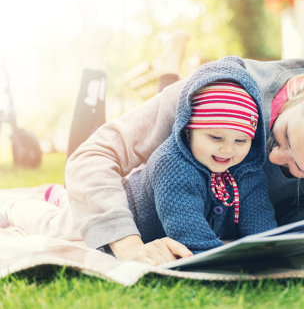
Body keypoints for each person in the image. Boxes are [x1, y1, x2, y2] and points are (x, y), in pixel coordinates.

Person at [65, 53, 304, 265]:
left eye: (297, 169)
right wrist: (127, 244)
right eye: (285, 136)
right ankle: (168, 62)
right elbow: (91, 156)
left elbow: (283, 210)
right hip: (142, 190)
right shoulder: (221, 90)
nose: (274, 155)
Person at [0, 60, 277, 259]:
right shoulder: (173, 166)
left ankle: (59, 195)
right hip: (118, 211)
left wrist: (270, 246)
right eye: (216, 138)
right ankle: (16, 208)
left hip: (149, 227)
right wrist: (219, 257)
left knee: (63, 208)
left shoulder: (246, 170)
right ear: (189, 129)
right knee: (57, 227)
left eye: (240, 141)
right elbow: (187, 230)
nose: (228, 150)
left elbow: (258, 214)